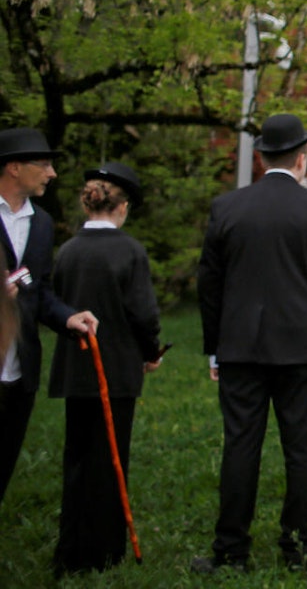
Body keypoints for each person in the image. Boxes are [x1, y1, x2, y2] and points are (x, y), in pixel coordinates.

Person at [193, 114, 307, 574]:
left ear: (261, 158)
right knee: (303, 448)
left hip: (240, 346)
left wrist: (215, 346)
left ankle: (230, 549)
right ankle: (298, 546)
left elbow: (209, 283)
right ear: (302, 158)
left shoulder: (228, 207)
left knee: (240, 445)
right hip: (303, 349)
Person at [48, 162, 162, 574]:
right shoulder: (129, 251)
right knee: (111, 457)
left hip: (75, 369)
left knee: (77, 457)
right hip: (115, 369)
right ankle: (103, 550)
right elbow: (143, 313)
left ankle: (71, 548)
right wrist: (151, 352)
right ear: (123, 207)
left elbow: (56, 302)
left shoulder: (68, 251)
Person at [0, 128, 98, 507]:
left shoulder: (41, 222)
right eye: (43, 164)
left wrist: (68, 318)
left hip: (18, 372)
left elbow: (38, 290)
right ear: (13, 167)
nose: (52, 173)